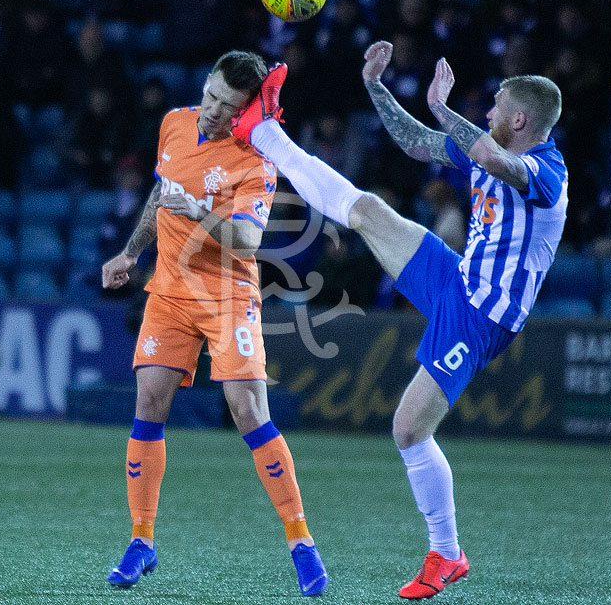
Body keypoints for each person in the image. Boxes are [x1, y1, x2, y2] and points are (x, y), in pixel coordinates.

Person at [232, 40, 567, 599]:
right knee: (367, 211)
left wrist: (442, 106)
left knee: (408, 429)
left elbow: (487, 156)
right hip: (458, 278)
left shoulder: (545, 174)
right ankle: (263, 131)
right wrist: (376, 88)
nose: (484, 115)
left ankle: (447, 553)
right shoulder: (490, 143)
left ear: (518, 120)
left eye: (494, 108)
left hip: (484, 315)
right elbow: (417, 147)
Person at [100, 50, 328, 597]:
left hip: (228, 295)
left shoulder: (257, 159)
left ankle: (301, 544)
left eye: (227, 107)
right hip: (170, 292)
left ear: (245, 113)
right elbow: (162, 191)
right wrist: (131, 253)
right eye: (210, 96)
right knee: (148, 405)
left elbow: (247, 241)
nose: (211, 111)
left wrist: (197, 209)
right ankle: (141, 541)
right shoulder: (174, 124)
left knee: (249, 411)